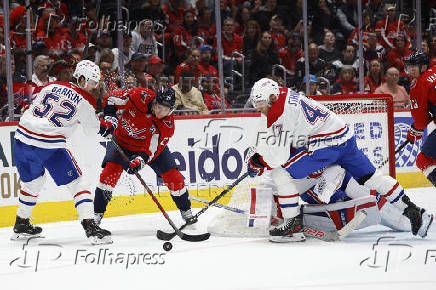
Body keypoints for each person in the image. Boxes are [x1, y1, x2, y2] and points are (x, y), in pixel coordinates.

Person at [247, 78, 433, 242]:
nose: (260, 109)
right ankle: (411, 209)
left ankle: (292, 224)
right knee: (373, 178)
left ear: (272, 98)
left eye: (261, 104)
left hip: (326, 146)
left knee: (282, 172)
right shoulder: (285, 93)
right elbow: (289, 133)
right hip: (345, 137)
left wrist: (259, 161)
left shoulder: (279, 111)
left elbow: (279, 156)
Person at [11, 60, 112, 244]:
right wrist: (107, 128)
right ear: (81, 79)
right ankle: (90, 227)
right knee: (78, 182)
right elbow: (92, 130)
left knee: (34, 182)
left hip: (21, 138)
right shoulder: (86, 100)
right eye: (92, 82)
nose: (95, 87)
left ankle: (21, 223)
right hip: (48, 144)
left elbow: (32, 104)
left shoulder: (51, 85)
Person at [93, 86, 198, 228]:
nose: (161, 112)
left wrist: (140, 160)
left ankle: (186, 212)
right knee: (108, 176)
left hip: (146, 148)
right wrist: (110, 121)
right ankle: (96, 216)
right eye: (159, 107)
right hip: (121, 141)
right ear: (154, 101)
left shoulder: (167, 124)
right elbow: (110, 99)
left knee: (174, 178)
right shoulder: (138, 96)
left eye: (166, 110)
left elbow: (151, 150)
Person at [405, 51, 436, 187]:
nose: (410, 70)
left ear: (423, 67)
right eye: (409, 67)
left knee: (424, 160)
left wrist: (415, 130)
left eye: (414, 66)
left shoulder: (419, 84)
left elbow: (421, 120)